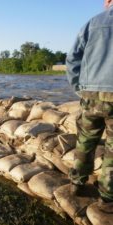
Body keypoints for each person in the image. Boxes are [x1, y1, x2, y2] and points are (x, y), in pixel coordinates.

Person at [66, 0, 113, 213]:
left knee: (85, 140)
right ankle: (107, 198)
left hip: (91, 94)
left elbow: (72, 59)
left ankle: (77, 184)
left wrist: (79, 88)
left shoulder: (92, 23)